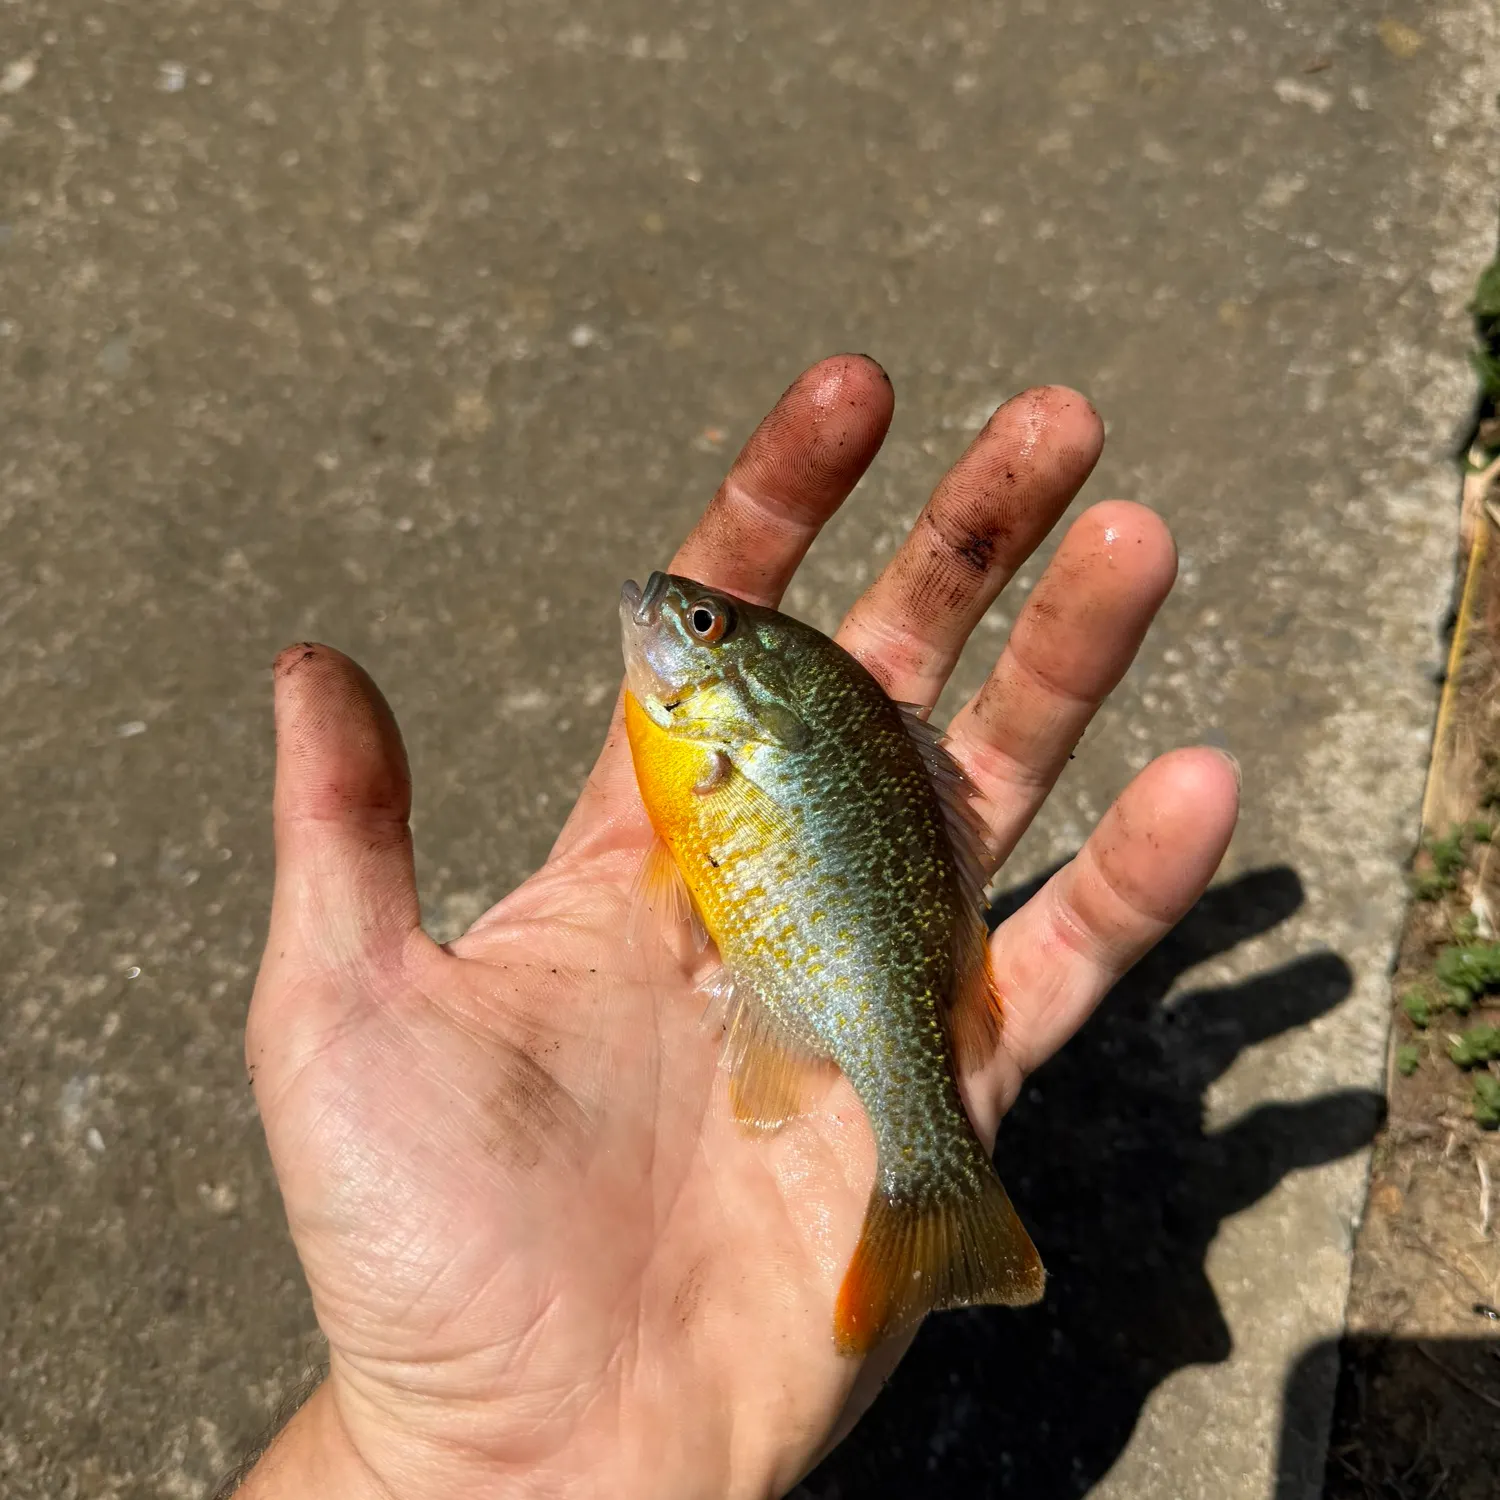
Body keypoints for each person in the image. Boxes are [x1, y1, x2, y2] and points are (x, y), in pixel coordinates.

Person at [237, 355, 1239, 1497]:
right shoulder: (700, 735)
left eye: (701, 624)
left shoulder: (711, 742)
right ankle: (934, 1191)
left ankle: (929, 1180)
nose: (671, 612)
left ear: (732, 700)